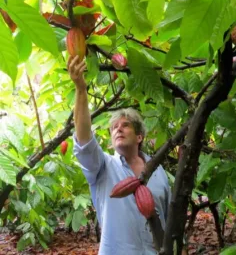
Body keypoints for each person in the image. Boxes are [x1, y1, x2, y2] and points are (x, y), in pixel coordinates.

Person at [68, 55, 171, 255]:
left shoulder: (159, 173)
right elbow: (84, 142)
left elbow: (167, 220)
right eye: (114, 128)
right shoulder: (103, 168)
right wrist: (81, 89)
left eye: (125, 125)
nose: (118, 130)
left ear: (140, 136)